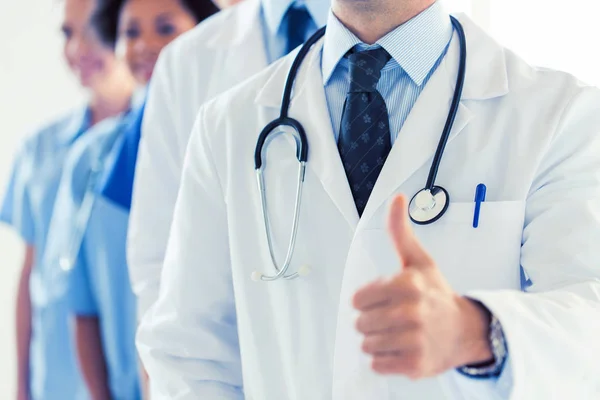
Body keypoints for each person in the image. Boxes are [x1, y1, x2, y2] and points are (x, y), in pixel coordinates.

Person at [136, 0, 600, 398]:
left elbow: (588, 319)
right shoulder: (227, 126)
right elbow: (189, 354)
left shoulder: (560, 117)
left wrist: (477, 332)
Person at [48, 0, 219, 399]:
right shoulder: (90, 161)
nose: (145, 45)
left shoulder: (226, 140)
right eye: (130, 33)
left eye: (165, 28)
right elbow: (82, 306)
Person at [127, 0, 331, 324]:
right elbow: (158, 251)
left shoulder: (410, 35)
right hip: (235, 358)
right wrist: (161, 369)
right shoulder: (186, 61)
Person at [0, 0, 136, 398]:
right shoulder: (38, 149)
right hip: (57, 383)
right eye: (67, 33)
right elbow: (31, 275)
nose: (78, 49)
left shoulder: (159, 145)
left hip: (133, 373)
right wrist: (21, 386)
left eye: (96, 29)